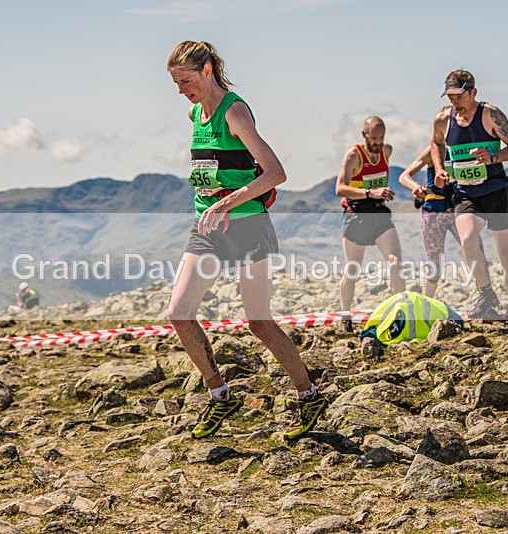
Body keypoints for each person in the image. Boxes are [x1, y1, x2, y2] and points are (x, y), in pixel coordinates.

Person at [166, 40, 327, 440]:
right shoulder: (195, 114)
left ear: (207, 71)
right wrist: (212, 206)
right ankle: (220, 395)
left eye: (185, 80)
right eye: (174, 83)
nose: (180, 90)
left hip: (248, 226)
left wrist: (228, 202)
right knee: (179, 314)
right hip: (207, 230)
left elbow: (275, 173)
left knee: (258, 322)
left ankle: (309, 395)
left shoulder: (234, 111)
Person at [430, 69, 508, 326]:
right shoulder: (443, 119)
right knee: (468, 239)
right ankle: (486, 293)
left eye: (459, 96)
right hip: (465, 192)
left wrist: (493, 157)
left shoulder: (490, 115)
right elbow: (436, 143)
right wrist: (439, 168)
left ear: (473, 92)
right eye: (450, 97)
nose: (454, 102)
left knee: (506, 255)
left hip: (496, 191)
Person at [335, 116, 405, 332]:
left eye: (381, 138)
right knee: (353, 269)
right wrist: (369, 192)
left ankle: (398, 313)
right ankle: (345, 316)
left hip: (379, 213)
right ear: (364, 134)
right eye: (374, 138)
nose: (377, 142)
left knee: (395, 261)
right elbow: (340, 188)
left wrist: (379, 195)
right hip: (357, 214)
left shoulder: (387, 151)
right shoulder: (354, 155)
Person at [398, 138, 482, 298]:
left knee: (477, 250)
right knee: (434, 262)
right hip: (433, 212)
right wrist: (415, 186)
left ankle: (487, 299)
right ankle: (426, 307)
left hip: (459, 209)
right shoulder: (432, 150)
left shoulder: (465, 148)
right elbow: (404, 176)